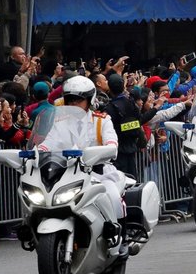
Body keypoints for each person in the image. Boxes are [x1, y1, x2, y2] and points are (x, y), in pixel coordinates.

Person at [37, 75, 130, 257]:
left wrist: (107, 149)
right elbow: (49, 143)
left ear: (90, 100)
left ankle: (121, 238)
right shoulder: (60, 123)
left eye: (78, 99)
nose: (74, 103)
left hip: (99, 174)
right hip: (69, 174)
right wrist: (37, 152)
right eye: (70, 99)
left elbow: (112, 144)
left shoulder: (102, 120)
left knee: (112, 196)